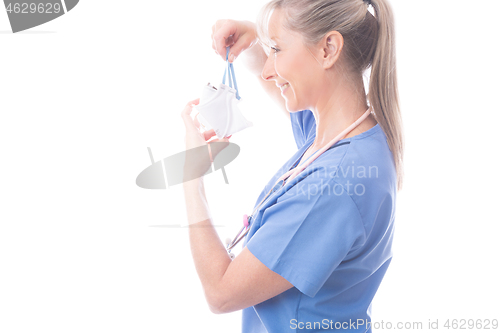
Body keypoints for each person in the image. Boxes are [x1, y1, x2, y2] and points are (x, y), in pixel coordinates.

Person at [180, 0, 404, 331]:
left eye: (278, 50)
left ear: (328, 49)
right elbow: (276, 82)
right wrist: (254, 43)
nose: (268, 69)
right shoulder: (348, 138)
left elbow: (220, 292)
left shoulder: (334, 183)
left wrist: (190, 176)